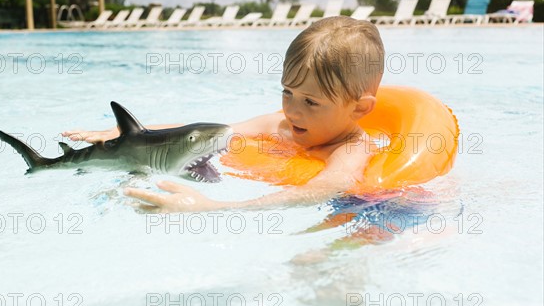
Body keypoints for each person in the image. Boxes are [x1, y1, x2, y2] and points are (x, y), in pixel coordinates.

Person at [62, 16, 385, 212]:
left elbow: (324, 189)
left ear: (359, 108)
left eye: (310, 102)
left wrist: (214, 207)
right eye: (287, 92)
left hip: (361, 208)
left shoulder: (352, 150)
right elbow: (208, 131)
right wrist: (129, 135)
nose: (291, 109)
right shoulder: (282, 125)